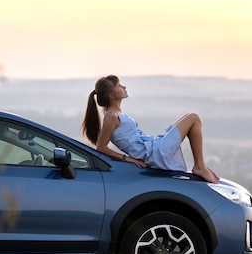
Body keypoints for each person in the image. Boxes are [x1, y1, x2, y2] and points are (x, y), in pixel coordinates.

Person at [81, 75, 220, 183]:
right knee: (193, 118)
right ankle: (200, 166)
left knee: (189, 117)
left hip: (154, 147)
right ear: (112, 96)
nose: (124, 86)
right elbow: (101, 147)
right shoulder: (111, 117)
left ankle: (201, 165)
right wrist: (127, 158)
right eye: (119, 85)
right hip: (154, 154)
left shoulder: (117, 115)